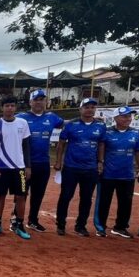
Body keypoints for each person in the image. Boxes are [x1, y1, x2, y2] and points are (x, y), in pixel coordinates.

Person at [54, 97, 106, 237]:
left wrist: (100, 162)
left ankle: (80, 226)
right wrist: (59, 161)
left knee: (86, 198)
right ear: (80, 109)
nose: (89, 110)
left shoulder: (100, 126)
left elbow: (101, 144)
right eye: (86, 107)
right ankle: (61, 224)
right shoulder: (72, 124)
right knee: (66, 196)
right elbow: (61, 143)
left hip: (90, 168)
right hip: (71, 167)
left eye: (92, 107)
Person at [17, 89, 64, 232]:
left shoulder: (52, 117)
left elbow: (64, 124)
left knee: (38, 194)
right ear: (30, 102)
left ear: (45, 102)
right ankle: (16, 219)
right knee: (21, 193)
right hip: (25, 163)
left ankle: (32, 220)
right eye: (36, 99)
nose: (39, 102)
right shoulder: (21, 117)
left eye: (42, 99)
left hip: (43, 163)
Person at [94, 106, 139, 239]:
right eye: (124, 116)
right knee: (104, 201)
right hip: (108, 174)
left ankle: (120, 227)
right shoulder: (107, 132)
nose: (128, 119)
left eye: (129, 116)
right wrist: (100, 163)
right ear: (116, 118)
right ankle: (100, 227)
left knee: (126, 202)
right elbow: (101, 148)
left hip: (127, 175)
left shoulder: (135, 133)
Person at [0, 96, 32, 240]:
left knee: (21, 197)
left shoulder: (23, 123)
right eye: (7, 106)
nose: (10, 108)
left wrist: (28, 166)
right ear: (1, 108)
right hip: (1, 167)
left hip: (19, 167)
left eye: (12, 105)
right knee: (1, 196)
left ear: (16, 107)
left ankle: (19, 224)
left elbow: (26, 146)